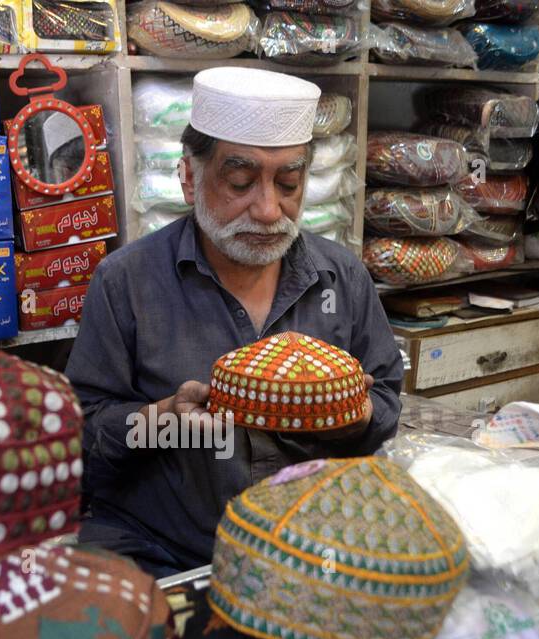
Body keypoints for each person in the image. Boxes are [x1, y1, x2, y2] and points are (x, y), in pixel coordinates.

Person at [65, 67, 404, 577]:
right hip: (164, 548)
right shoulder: (127, 281)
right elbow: (82, 434)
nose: (269, 210)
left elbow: (386, 401)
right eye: (240, 182)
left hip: (307, 542)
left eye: (288, 184)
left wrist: (353, 417)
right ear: (188, 177)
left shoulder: (343, 278)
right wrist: (161, 421)